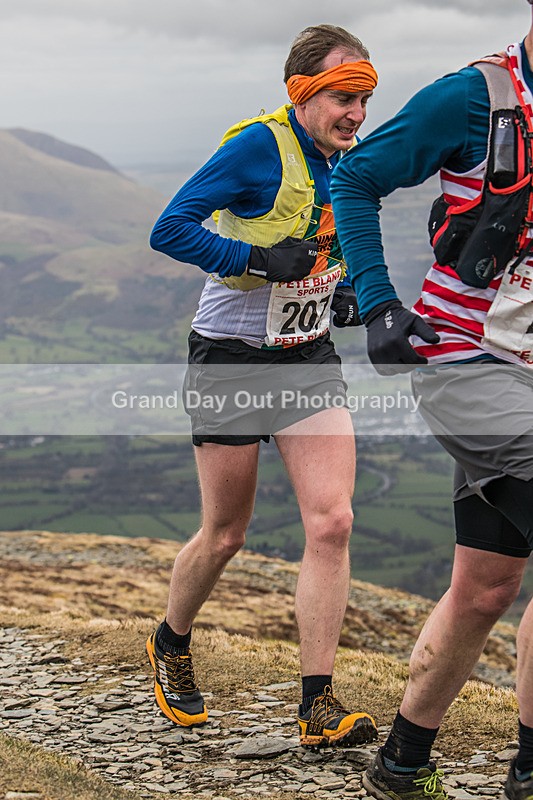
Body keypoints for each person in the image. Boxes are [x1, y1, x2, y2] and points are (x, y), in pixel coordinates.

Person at [146, 24, 379, 749]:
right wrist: (257, 260)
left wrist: (344, 287)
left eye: (364, 100)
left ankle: (318, 706)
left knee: (332, 521)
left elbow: (335, 236)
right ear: (302, 93)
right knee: (226, 533)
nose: (355, 114)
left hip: (306, 355)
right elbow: (169, 229)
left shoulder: (347, 158)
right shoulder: (256, 148)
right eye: (342, 98)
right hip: (231, 356)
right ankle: (170, 640)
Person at [330, 2, 533, 799]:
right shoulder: (474, 96)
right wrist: (379, 303)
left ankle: (401, 761)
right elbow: (356, 177)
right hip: (467, 363)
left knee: (485, 585)